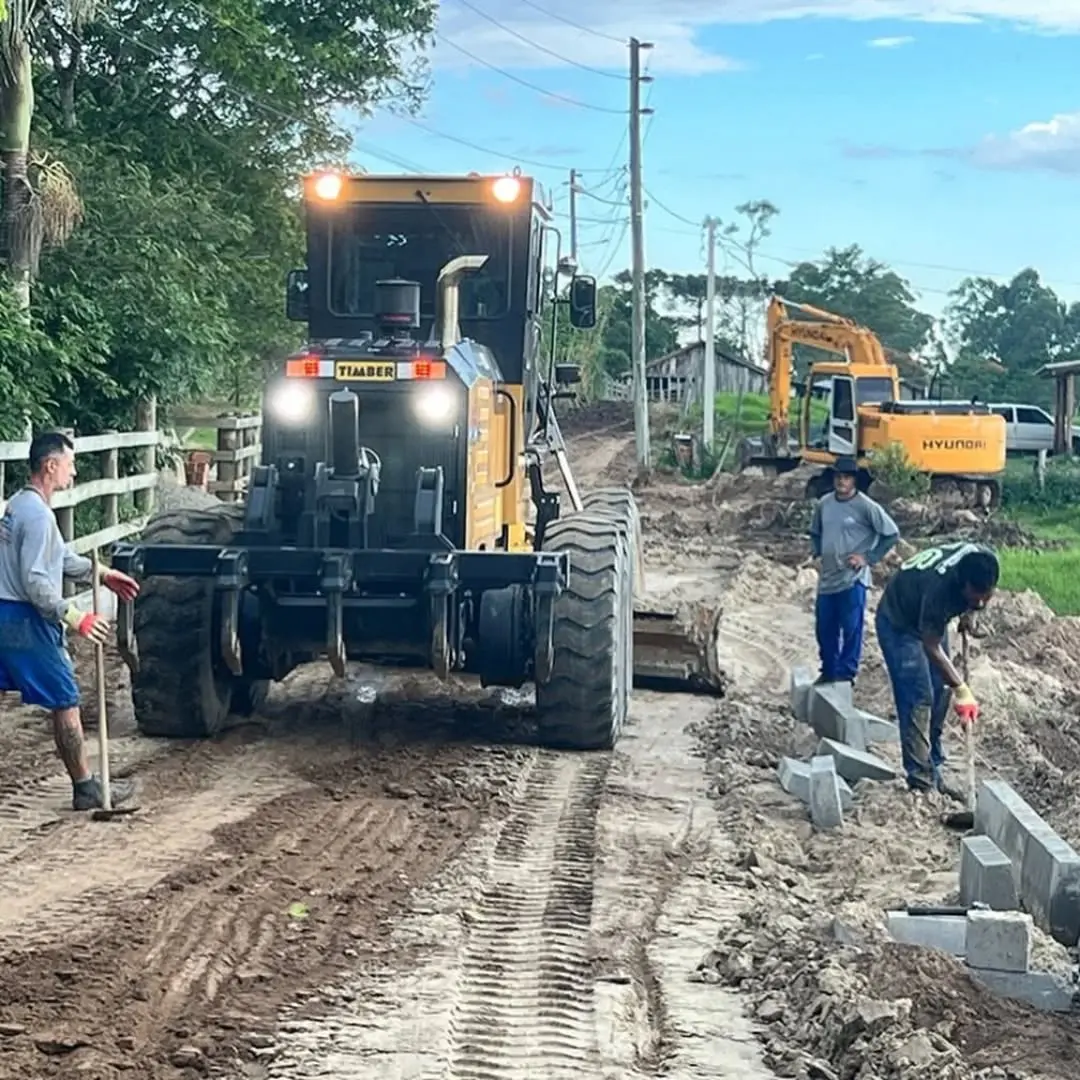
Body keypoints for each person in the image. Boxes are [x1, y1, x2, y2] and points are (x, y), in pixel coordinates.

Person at [0, 430, 140, 811]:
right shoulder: (39, 517)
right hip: (26, 620)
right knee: (65, 699)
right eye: (70, 464)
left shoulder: (18, 506)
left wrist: (102, 574)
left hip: (4, 611)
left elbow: (59, 558)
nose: (73, 472)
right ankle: (85, 787)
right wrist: (76, 617)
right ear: (50, 465)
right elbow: (36, 581)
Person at [875, 540, 997, 795]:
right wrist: (962, 690)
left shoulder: (984, 562)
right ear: (962, 585)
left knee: (941, 690)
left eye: (986, 595)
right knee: (919, 697)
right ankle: (921, 780)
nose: (981, 601)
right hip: (900, 623)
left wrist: (970, 612)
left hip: (928, 615)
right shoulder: (939, 591)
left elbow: (977, 596)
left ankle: (934, 762)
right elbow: (931, 646)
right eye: (975, 596)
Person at [809, 457, 899, 685]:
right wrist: (817, 554)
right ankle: (829, 671)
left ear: (854, 481)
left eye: (846, 477)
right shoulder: (824, 504)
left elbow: (891, 534)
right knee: (824, 628)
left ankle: (846, 674)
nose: (841, 481)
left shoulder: (866, 506)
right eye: (838, 477)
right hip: (828, 578)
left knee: (851, 628)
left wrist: (867, 558)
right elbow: (815, 532)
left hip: (852, 578)